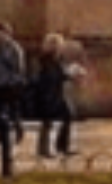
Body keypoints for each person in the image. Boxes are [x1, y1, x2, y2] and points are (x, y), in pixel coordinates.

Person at [0, 19, 31, 173]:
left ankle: (18, 130)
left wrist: (16, 79)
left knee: (13, 109)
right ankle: (0, 133)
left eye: (2, 33)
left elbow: (19, 67)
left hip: (11, 83)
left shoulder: (14, 48)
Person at [32, 30, 79, 158]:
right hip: (48, 94)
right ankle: (44, 149)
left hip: (58, 93)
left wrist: (69, 72)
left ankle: (62, 146)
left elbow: (60, 72)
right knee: (47, 121)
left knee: (68, 115)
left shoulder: (57, 58)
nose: (60, 47)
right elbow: (52, 75)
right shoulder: (46, 59)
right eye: (57, 44)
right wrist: (69, 74)